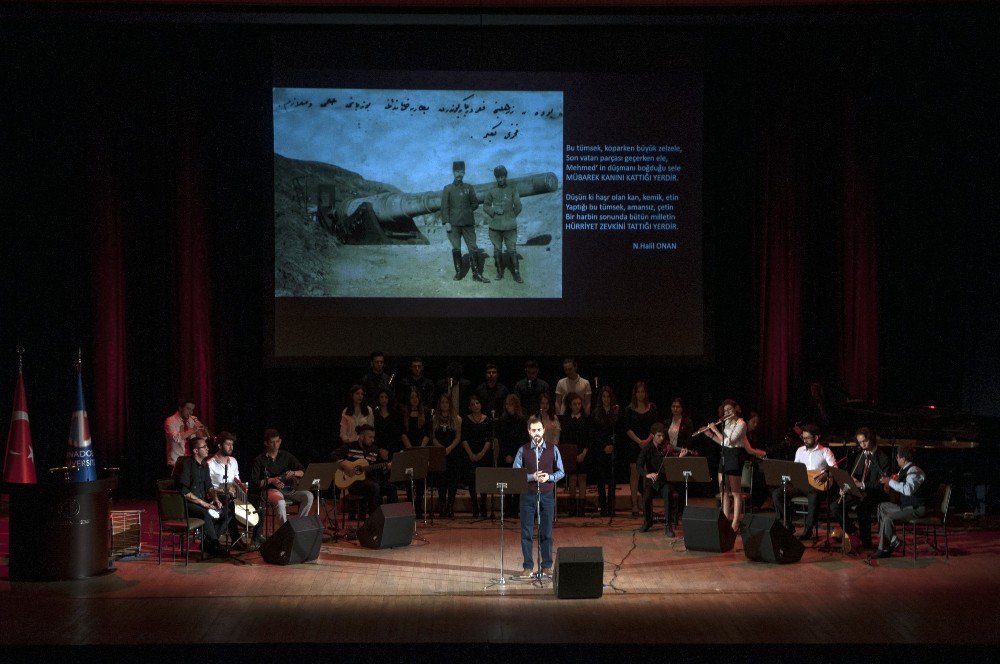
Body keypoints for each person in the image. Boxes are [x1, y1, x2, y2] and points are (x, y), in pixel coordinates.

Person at [513, 416, 565, 577]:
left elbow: (561, 472)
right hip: (528, 495)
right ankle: (528, 566)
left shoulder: (552, 448)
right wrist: (531, 477)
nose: (537, 433)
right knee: (527, 531)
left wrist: (548, 477)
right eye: (533, 430)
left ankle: (546, 565)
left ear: (544, 431)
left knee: (546, 532)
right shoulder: (523, 450)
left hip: (547, 494)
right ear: (529, 432)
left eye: (539, 430)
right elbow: (516, 472)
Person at [706, 399, 767, 533]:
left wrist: (715, 430)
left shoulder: (742, 424)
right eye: (725, 410)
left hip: (734, 456)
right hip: (724, 455)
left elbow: (730, 440)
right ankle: (725, 519)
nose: (727, 412)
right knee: (724, 492)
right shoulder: (726, 422)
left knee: (735, 493)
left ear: (736, 410)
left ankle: (735, 523)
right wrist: (710, 435)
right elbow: (723, 443)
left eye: (730, 410)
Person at [768, 422, 831, 540]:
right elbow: (795, 470)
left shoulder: (825, 451)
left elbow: (834, 469)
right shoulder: (800, 450)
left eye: (807, 438)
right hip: (800, 485)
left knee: (814, 494)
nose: (805, 440)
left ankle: (808, 529)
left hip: (816, 486)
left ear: (816, 437)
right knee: (777, 494)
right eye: (803, 438)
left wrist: (826, 474)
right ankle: (787, 524)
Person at [834, 427, 892, 549]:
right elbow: (854, 476)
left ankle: (867, 542)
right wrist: (846, 485)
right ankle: (853, 532)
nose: (862, 445)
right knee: (835, 506)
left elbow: (881, 483)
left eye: (864, 441)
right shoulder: (860, 456)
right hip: (859, 492)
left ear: (871, 439)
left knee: (862, 506)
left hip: (875, 493)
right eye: (860, 442)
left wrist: (862, 484)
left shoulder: (883, 458)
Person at [173, 436, 230, 555]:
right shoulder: (186, 464)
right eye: (204, 447)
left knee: (226, 511)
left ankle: (207, 543)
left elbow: (209, 487)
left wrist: (215, 499)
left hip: (202, 502)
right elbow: (183, 489)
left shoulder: (205, 465)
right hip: (187, 504)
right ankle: (214, 543)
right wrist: (203, 503)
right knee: (205, 512)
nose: (207, 449)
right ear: (195, 451)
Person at [637, 422, 695, 537]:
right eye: (659, 436)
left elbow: (673, 466)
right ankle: (648, 521)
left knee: (668, 493)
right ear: (653, 435)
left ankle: (668, 525)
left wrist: (679, 458)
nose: (662, 438)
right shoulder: (647, 449)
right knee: (647, 496)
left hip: (664, 481)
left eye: (663, 436)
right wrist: (647, 474)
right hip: (652, 481)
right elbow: (639, 465)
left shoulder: (667, 448)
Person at [875, 446, 933, 558]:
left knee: (888, 518)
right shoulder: (903, 471)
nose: (897, 459)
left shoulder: (915, 471)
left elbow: (907, 490)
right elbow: (899, 486)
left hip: (916, 508)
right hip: (905, 506)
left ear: (903, 458)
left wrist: (891, 482)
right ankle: (893, 540)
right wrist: (890, 486)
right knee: (882, 507)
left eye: (897, 457)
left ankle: (883, 549)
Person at [250, 429, 314, 525]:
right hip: (270, 490)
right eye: (272, 442)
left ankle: (298, 525)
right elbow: (255, 483)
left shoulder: (285, 455)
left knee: (308, 496)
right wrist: (271, 480)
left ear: (280, 441)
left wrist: (294, 473)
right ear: (266, 443)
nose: (275, 445)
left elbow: (303, 471)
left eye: (277, 441)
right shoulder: (259, 460)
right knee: (281, 503)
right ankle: (285, 530)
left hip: (287, 489)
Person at [441, 160, 489, 283]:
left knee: (473, 248)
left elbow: (475, 203)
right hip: (453, 224)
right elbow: (444, 207)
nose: (459, 174)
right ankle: (459, 273)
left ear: (464, 173)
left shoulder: (469, 187)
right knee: (456, 248)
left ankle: (476, 274)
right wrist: (446, 222)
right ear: (453, 172)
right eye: (457, 171)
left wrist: (467, 210)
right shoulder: (448, 189)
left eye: (461, 172)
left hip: (468, 223)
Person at [332, 424, 396, 515]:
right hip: (354, 484)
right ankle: (374, 519)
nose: (372, 440)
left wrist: (386, 467)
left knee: (391, 488)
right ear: (361, 436)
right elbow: (333, 456)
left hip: (371, 481)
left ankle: (391, 517)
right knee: (374, 487)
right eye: (370, 437)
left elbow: (379, 470)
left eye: (373, 437)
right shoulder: (350, 447)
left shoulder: (374, 450)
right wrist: (344, 463)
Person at [207, 431, 256, 548]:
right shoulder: (210, 464)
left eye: (232, 444)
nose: (231, 447)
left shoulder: (233, 461)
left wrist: (241, 486)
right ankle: (216, 539)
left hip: (233, 494)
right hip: (217, 495)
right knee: (230, 506)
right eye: (228, 444)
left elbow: (236, 479)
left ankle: (256, 537)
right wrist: (224, 489)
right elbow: (208, 486)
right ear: (219, 445)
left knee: (257, 501)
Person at [623, 381, 659, 518]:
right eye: (638, 392)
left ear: (646, 393)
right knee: (635, 474)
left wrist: (647, 441)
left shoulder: (652, 407)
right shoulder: (629, 409)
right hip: (634, 444)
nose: (640, 394)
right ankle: (634, 505)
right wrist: (639, 441)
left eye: (642, 392)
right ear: (634, 393)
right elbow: (627, 428)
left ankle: (646, 504)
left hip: (649, 444)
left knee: (647, 474)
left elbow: (655, 427)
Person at [559, 392, 597, 517]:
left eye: (579, 404)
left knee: (582, 479)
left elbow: (589, 437)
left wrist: (584, 453)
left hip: (583, 453)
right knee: (572, 479)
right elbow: (564, 438)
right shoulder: (566, 420)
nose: (577, 406)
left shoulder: (586, 419)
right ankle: (572, 508)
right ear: (570, 405)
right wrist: (570, 455)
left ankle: (581, 509)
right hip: (571, 453)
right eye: (574, 404)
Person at [483, 164, 523, 282]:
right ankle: (499, 272)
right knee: (497, 250)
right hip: (495, 227)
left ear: (506, 176)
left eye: (502, 177)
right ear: (496, 178)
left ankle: (516, 274)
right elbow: (486, 206)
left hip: (510, 226)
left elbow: (519, 206)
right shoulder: (492, 190)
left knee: (512, 249)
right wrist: (494, 211)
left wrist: (511, 216)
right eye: (498, 177)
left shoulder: (512, 189)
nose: (500, 179)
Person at [400, 388, 431, 518]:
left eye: (416, 397)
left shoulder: (425, 413)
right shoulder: (404, 414)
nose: (414, 399)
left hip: (421, 450)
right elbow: (402, 433)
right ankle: (409, 507)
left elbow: (427, 433)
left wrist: (420, 448)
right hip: (409, 449)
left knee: (420, 480)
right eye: (412, 397)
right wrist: (410, 448)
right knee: (409, 480)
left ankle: (418, 507)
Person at [497, 393, 530, 513]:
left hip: (518, 454)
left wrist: (516, 456)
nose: (508, 407)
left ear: (516, 405)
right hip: (505, 455)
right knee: (506, 481)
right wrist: (507, 455)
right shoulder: (502, 420)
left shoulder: (522, 420)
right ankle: (507, 507)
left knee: (516, 483)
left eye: (510, 404)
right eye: (506, 404)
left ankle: (515, 507)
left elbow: (523, 439)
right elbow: (502, 439)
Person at [462, 394, 493, 519]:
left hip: (484, 453)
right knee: (472, 480)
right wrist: (471, 454)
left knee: (483, 480)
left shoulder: (487, 419)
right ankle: (475, 506)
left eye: (477, 403)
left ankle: (483, 506)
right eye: (473, 404)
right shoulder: (466, 420)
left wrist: (481, 453)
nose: (476, 406)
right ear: (469, 406)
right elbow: (464, 438)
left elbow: (489, 439)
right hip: (470, 453)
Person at [592, 386, 621, 517]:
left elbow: (619, 431)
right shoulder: (596, 412)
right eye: (603, 396)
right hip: (600, 450)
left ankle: (611, 507)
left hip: (613, 450)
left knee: (612, 480)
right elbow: (594, 434)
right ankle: (603, 508)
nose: (606, 399)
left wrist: (613, 446)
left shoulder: (616, 411)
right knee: (601, 480)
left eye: (608, 396)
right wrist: (604, 446)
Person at [432, 393, 463, 517]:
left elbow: (458, 436)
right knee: (441, 480)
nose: (444, 404)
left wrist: (449, 448)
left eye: (446, 402)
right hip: (440, 452)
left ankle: (450, 505)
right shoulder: (435, 418)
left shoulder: (457, 418)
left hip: (453, 452)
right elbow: (433, 437)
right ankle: (442, 504)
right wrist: (440, 448)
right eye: (442, 402)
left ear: (450, 404)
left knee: (452, 480)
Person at [163, 398, 203, 472]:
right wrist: (193, 429)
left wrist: (199, 429)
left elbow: (201, 439)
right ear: (180, 408)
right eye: (188, 409)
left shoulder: (191, 421)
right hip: (176, 463)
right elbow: (177, 438)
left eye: (192, 409)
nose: (191, 412)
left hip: (191, 462)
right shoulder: (170, 421)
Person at [373, 388, 403, 457]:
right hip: (378, 449)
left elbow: (398, 433)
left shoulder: (396, 415)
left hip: (393, 448)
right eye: (382, 397)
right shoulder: (375, 414)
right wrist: (379, 449)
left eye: (386, 397)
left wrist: (389, 450)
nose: (384, 399)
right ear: (378, 398)